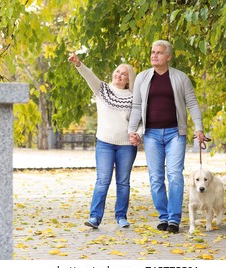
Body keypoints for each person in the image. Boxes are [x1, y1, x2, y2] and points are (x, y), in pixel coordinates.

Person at [128, 40, 206, 233]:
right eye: (152, 52)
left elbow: (193, 104)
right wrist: (132, 130)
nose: (154, 55)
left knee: (175, 176)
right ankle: (163, 216)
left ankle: (174, 219)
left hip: (175, 134)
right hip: (151, 135)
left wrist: (199, 128)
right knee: (155, 178)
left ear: (168, 57)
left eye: (159, 53)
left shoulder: (181, 78)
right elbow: (137, 106)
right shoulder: (142, 78)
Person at [68, 53, 141, 229]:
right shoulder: (103, 90)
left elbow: (142, 121)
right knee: (102, 180)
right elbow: (90, 77)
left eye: (124, 73)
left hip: (126, 146)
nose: (119, 75)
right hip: (105, 144)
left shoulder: (134, 98)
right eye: (117, 71)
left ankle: (121, 216)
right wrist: (79, 64)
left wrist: (138, 134)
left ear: (128, 79)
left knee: (123, 182)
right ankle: (94, 217)